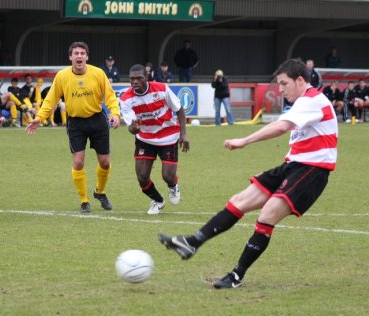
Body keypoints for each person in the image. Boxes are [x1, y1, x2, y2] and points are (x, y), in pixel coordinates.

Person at [158, 58, 338, 289]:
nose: (280, 89)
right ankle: (191, 243)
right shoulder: (304, 103)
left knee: (267, 215)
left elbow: (280, 127)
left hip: (312, 171)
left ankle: (237, 275)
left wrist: (245, 140)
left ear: (300, 80)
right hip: (293, 166)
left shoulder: (312, 100)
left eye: (284, 84)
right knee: (239, 201)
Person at [26, 41, 121, 213]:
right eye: (75, 53)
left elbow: (110, 95)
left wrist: (115, 113)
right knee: (78, 162)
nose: (79, 56)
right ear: (70, 57)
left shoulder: (98, 73)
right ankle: (84, 200)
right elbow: (51, 99)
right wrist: (39, 117)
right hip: (76, 123)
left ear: (87, 57)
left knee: (105, 162)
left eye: (82, 53)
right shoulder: (62, 76)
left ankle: (100, 192)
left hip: (97, 120)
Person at [120, 64, 189, 215]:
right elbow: (131, 128)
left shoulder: (162, 89)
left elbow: (179, 109)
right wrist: (134, 128)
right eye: (132, 79)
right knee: (142, 177)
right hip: (145, 138)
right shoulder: (126, 99)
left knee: (168, 176)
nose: (135, 82)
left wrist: (184, 134)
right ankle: (158, 200)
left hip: (169, 136)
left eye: (139, 78)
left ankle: (173, 185)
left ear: (147, 77)